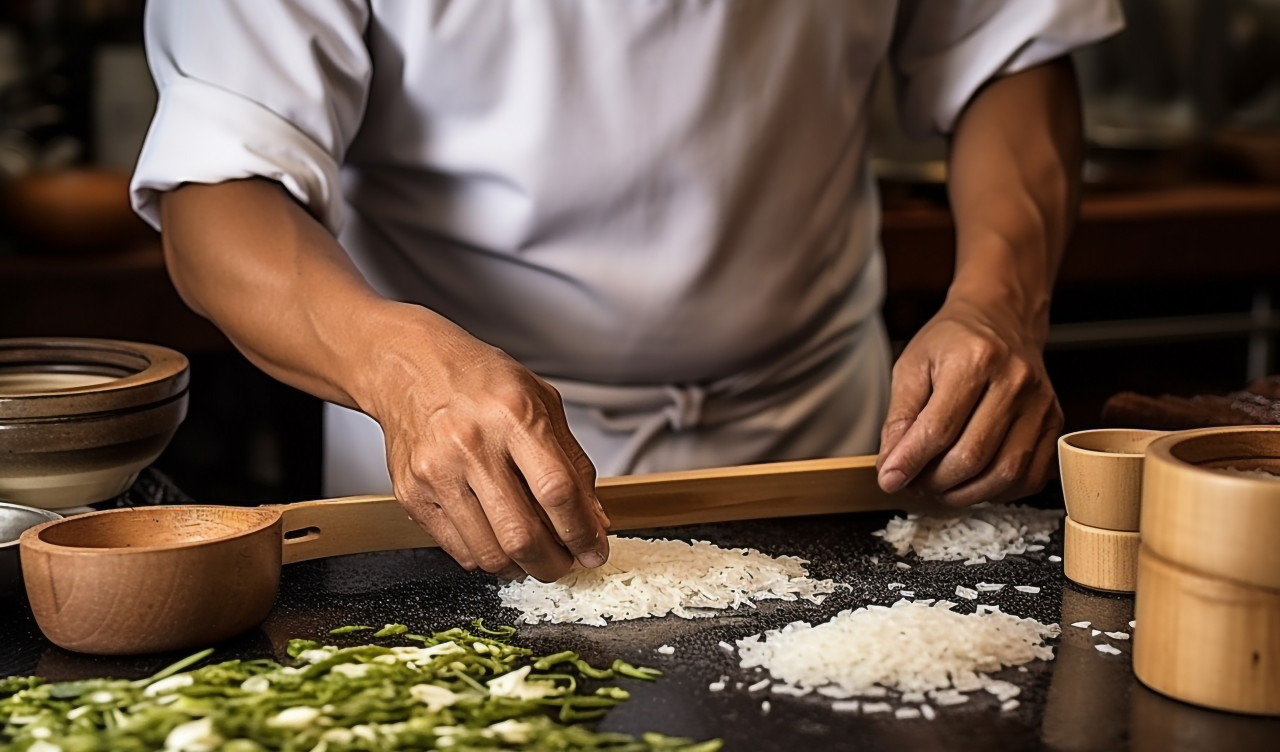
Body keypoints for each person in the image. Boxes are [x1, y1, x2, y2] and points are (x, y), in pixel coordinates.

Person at [131, 1, 1123, 583]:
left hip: (831, 443)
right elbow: (220, 192)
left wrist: (998, 302)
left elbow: (1008, 49)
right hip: (454, 471)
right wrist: (399, 373)